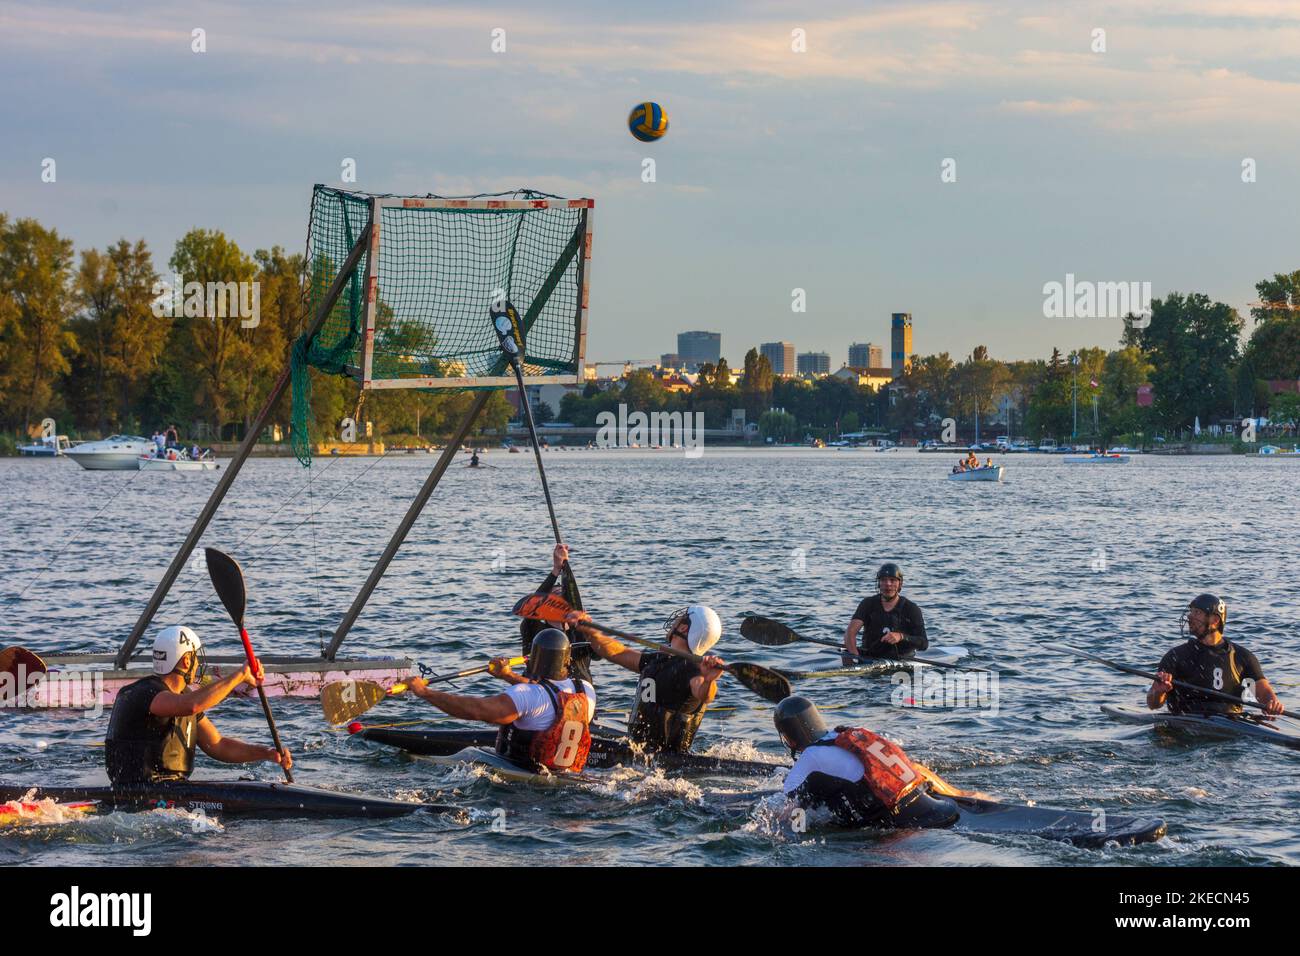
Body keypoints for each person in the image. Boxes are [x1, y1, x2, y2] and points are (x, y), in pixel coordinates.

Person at [105, 625, 292, 786]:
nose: (197, 664)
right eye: (196, 658)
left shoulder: (184, 697)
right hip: (139, 790)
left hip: (174, 789)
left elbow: (219, 745)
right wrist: (239, 676)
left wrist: (267, 753)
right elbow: (191, 705)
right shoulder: (145, 692)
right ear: (187, 661)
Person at [406, 629, 595, 773]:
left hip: (524, 779)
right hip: (568, 775)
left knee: (469, 755)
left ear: (533, 660)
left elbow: (476, 710)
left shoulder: (526, 695)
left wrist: (424, 692)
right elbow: (546, 692)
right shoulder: (586, 690)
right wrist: (507, 675)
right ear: (567, 660)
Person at [775, 696, 959, 830]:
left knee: (804, 793)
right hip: (933, 805)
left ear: (789, 739)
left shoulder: (810, 757)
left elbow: (791, 809)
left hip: (905, 824)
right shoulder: (852, 733)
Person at [570, 605, 725, 753]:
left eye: (680, 618)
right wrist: (591, 632)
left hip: (666, 759)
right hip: (639, 748)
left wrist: (710, 680)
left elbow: (704, 695)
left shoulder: (693, 669)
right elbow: (617, 653)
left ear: (684, 628)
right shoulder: (658, 660)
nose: (675, 621)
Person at [1148, 594, 1285, 716]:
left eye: (1197, 612)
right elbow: (1153, 704)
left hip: (1231, 723)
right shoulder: (1175, 656)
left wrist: (1272, 703)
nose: (1190, 617)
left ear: (1215, 620)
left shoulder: (1242, 657)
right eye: (1191, 612)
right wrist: (1159, 692)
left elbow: (1263, 692)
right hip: (1188, 720)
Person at [518, 543, 595, 686]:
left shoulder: (582, 632)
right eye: (554, 601)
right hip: (539, 691)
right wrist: (556, 571)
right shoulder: (533, 629)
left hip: (577, 695)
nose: (561, 603)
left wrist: (590, 630)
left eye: (564, 600)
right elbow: (532, 605)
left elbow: (598, 655)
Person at [844, 562, 928, 663]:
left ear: (899, 584)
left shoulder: (911, 608)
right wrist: (855, 657)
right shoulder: (867, 603)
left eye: (892, 580)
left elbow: (923, 643)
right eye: (883, 580)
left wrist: (900, 637)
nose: (888, 584)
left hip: (901, 659)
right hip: (870, 657)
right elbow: (850, 633)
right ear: (879, 583)